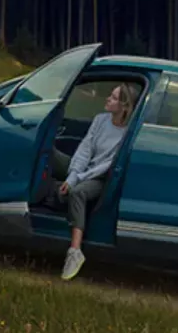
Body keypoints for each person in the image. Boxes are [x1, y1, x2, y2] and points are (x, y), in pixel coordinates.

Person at [52, 82, 139, 280]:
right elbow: (85, 149)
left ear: (124, 106)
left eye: (114, 97)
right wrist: (72, 176)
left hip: (101, 177)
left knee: (78, 192)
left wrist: (76, 181)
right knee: (47, 153)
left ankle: (75, 252)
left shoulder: (128, 133)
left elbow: (106, 166)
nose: (108, 99)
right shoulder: (100, 120)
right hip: (84, 169)